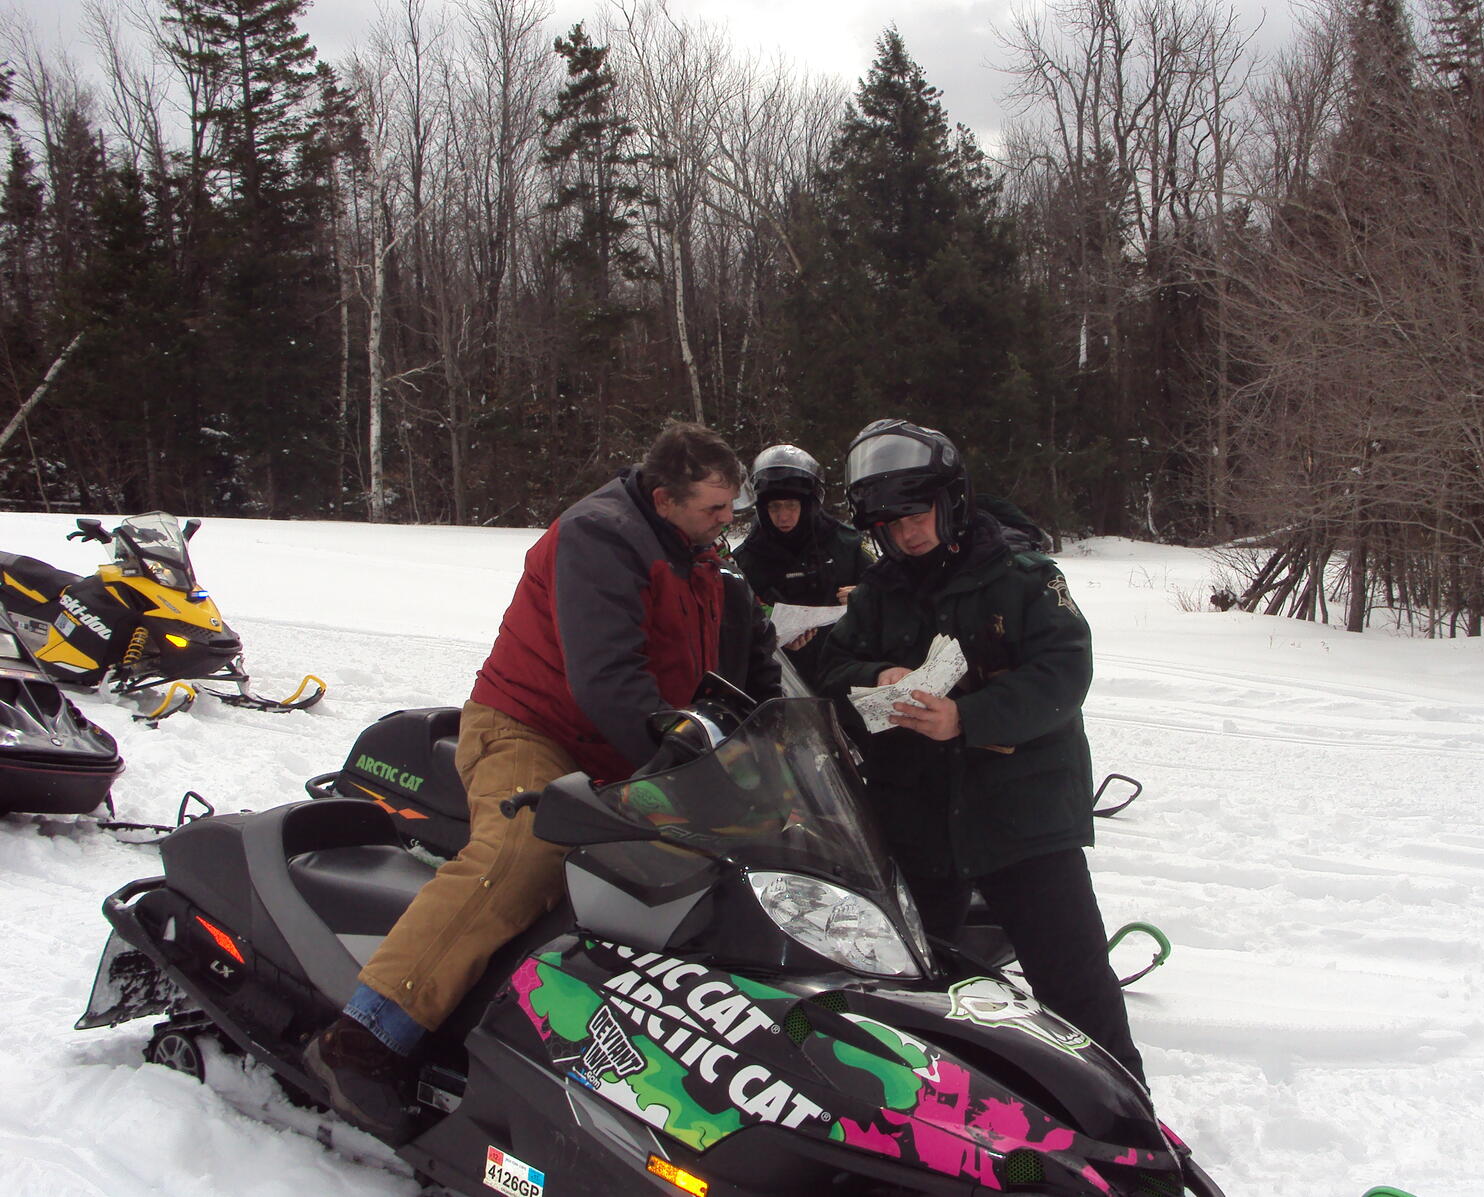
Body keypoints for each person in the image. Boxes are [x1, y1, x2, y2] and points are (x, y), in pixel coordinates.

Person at [305, 421, 782, 1139]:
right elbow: (606, 678)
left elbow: (748, 665)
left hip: (634, 746)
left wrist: (771, 741)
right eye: (715, 510)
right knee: (526, 850)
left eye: (731, 510)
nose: (727, 524)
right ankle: (367, 1035)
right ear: (664, 498)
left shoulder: (704, 557)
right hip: (532, 729)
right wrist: (683, 757)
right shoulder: (602, 537)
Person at [817, 418, 1146, 1086]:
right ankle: (936, 1121)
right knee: (913, 983)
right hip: (916, 819)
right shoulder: (881, 591)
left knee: (1076, 983)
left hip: (1022, 816)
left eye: (917, 515)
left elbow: (1063, 674)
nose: (907, 533)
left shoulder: (1025, 578)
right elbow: (829, 665)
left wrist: (966, 717)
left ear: (951, 499)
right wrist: (876, 676)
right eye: (891, 524)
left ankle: (1125, 1117)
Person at [731, 444, 871, 677]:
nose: (783, 516)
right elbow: (740, 624)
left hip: (848, 664)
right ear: (762, 509)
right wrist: (773, 636)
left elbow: (889, 586)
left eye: (791, 506)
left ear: (807, 506)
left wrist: (864, 594)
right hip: (783, 676)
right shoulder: (747, 558)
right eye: (774, 507)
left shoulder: (846, 543)